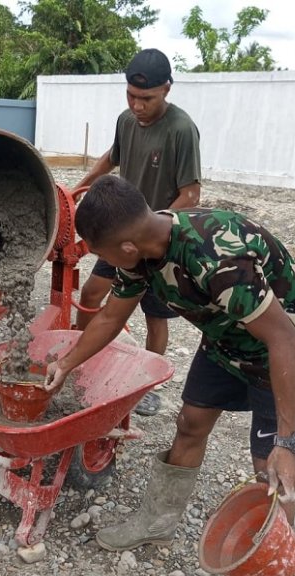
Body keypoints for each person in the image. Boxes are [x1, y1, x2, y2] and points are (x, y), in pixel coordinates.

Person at [45, 175, 295, 576]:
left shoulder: (217, 259)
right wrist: (66, 364)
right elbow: (112, 316)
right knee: (190, 423)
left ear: (126, 246)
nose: (106, 264)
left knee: (269, 471)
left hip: (275, 350)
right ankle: (157, 519)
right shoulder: (145, 253)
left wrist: (288, 442)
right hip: (223, 341)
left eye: (106, 255)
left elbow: (283, 340)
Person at [73, 48, 201, 417]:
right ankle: (81, 357)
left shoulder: (181, 129)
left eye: (147, 98)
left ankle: (144, 384)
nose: (137, 105)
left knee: (154, 314)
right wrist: (78, 188)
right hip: (118, 237)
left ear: (167, 89)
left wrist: (153, 231)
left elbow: (190, 194)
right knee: (92, 291)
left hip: (157, 243)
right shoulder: (125, 120)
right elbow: (111, 157)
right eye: (130, 95)